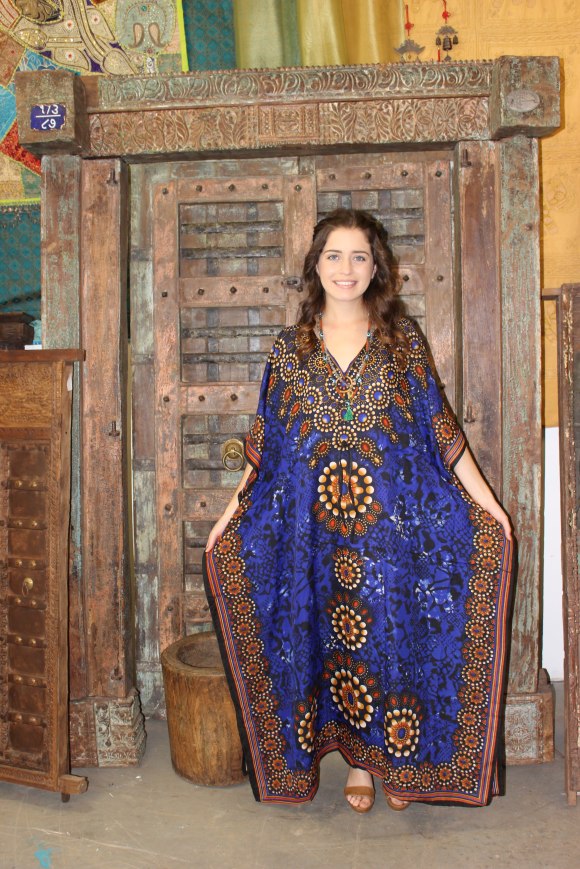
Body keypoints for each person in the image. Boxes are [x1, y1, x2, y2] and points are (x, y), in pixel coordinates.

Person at [204, 208, 513, 813]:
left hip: (390, 539)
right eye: (334, 256)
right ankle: (358, 766)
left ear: (377, 269)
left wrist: (488, 505)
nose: (346, 268)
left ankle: (396, 764)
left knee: (390, 643)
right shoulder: (290, 350)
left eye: (359, 257)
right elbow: (266, 445)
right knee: (333, 646)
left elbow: (440, 430)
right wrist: (230, 513)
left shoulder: (402, 341)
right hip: (316, 542)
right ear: (316, 266)